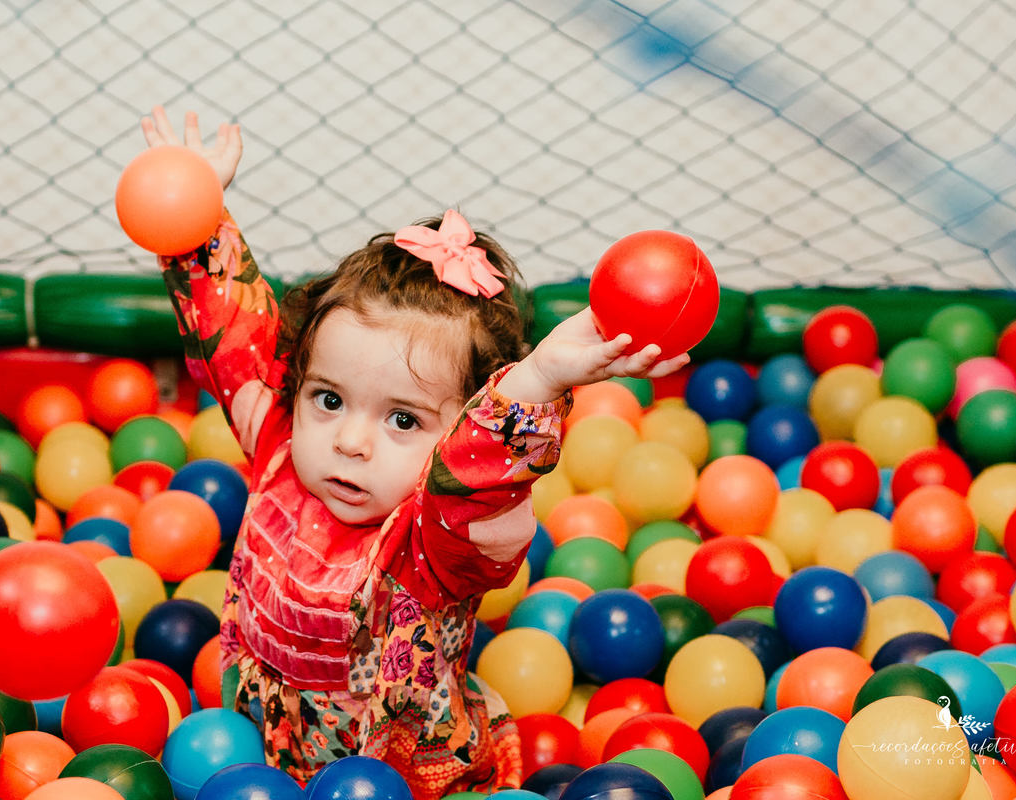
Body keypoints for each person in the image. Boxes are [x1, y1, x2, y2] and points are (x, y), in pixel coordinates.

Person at [140, 106, 691, 796]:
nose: (349, 441)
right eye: (329, 399)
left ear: (459, 428)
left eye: (402, 419)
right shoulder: (280, 441)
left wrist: (538, 380)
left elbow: (478, 477)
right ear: (298, 383)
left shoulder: (434, 541)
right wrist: (197, 216)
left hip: (395, 779)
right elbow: (237, 338)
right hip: (257, 753)